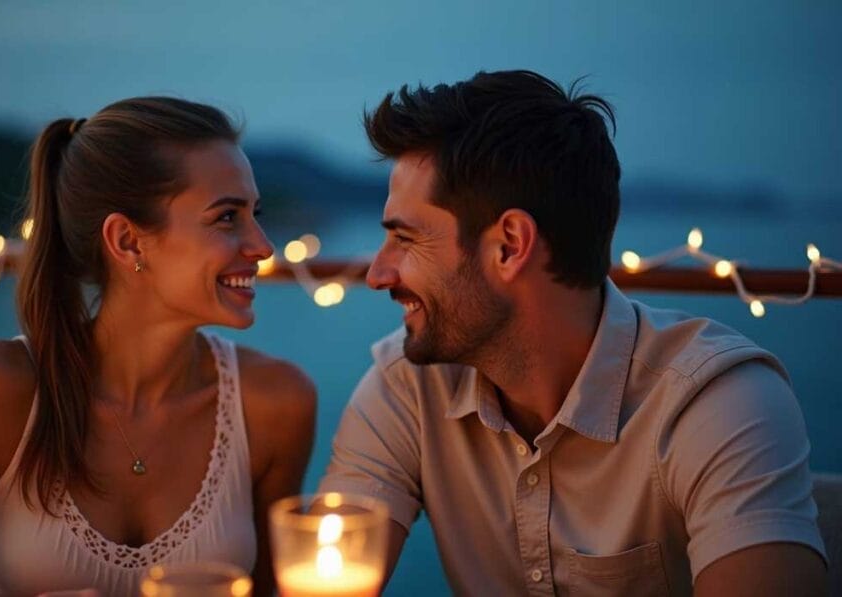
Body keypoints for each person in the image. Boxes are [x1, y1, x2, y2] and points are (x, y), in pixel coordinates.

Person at [318, 70, 827, 596]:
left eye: (406, 238)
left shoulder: (717, 404)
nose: (377, 273)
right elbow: (326, 574)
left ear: (510, 245)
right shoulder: (406, 388)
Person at [0, 97, 316, 596]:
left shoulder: (274, 404)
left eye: (256, 213)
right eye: (228, 218)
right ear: (126, 241)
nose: (263, 246)